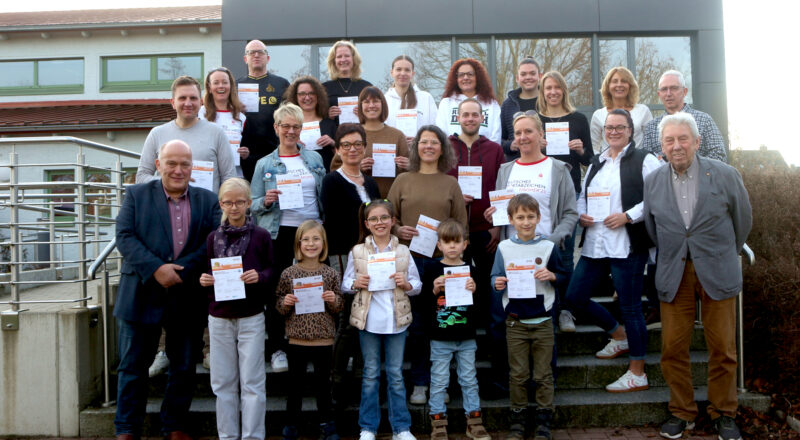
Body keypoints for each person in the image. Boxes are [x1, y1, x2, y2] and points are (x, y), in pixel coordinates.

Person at [644, 113, 751, 440]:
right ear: (661, 146)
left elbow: (743, 221)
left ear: (697, 142)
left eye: (682, 139)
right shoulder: (653, 181)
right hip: (674, 272)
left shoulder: (725, 175)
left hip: (717, 270)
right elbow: (652, 229)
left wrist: (722, 252)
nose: (676, 146)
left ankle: (724, 412)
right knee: (672, 349)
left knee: (723, 349)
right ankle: (682, 411)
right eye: (669, 140)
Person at [114, 140, 221, 440]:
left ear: (192, 167)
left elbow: (212, 241)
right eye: (171, 163)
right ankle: (126, 429)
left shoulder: (207, 200)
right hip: (141, 293)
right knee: (132, 367)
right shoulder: (136, 194)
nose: (178, 170)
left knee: (184, 366)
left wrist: (180, 270)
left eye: (184, 164)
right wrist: (156, 269)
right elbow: (124, 236)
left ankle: (174, 425)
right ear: (158, 164)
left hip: (186, 295)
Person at [564, 109, 661, 393]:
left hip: (627, 244)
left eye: (620, 127)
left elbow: (656, 196)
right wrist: (582, 214)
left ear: (630, 130)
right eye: (610, 127)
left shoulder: (646, 160)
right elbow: (583, 196)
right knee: (574, 297)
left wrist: (628, 216)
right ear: (603, 131)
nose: (614, 132)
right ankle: (619, 335)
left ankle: (637, 371)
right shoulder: (597, 162)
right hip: (596, 242)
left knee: (630, 307)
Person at [482, 111, 577, 387]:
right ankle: (504, 381)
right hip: (510, 257)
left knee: (543, 322)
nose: (523, 137)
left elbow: (570, 213)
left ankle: (545, 385)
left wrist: (555, 240)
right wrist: (494, 218)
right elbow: (503, 213)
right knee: (501, 319)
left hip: (543, 257)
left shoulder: (558, 169)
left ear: (541, 136)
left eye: (529, 132)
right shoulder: (506, 170)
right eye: (518, 133)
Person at [387, 125, 469, 405]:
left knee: (444, 324)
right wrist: (398, 231)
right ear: (416, 147)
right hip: (410, 262)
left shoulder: (450, 183)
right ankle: (420, 383)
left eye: (435, 142)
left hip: (443, 264)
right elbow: (389, 218)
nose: (429, 147)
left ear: (442, 148)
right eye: (424, 142)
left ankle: (441, 384)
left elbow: (461, 226)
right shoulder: (402, 180)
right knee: (417, 326)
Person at [250, 102, 326, 373]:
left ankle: (317, 342)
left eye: (296, 126)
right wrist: (266, 201)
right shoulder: (264, 164)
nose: (291, 131)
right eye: (286, 126)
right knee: (278, 292)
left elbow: (323, 195)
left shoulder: (314, 159)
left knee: (315, 288)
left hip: (311, 232)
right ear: (276, 128)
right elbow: (252, 202)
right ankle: (279, 348)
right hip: (279, 232)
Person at [199, 178, 273, 440]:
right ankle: (228, 436)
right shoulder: (212, 238)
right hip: (219, 316)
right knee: (222, 383)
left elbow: (271, 271)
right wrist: (205, 279)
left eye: (239, 201)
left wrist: (260, 277)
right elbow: (210, 272)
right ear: (221, 204)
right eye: (228, 202)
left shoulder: (261, 236)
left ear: (248, 203)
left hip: (251, 315)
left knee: (252, 382)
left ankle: (253, 436)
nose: (234, 207)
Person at [491, 194, 569, 440]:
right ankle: (518, 422)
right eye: (520, 217)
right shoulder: (504, 248)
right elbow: (494, 277)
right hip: (515, 321)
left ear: (539, 218)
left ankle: (544, 423)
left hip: (543, 319)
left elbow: (564, 276)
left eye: (530, 217)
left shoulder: (548, 247)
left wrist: (553, 277)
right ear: (511, 219)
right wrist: (498, 283)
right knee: (518, 374)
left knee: (543, 374)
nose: (526, 222)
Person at [342, 199, 421, 440]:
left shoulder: (403, 251)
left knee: (396, 375)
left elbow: (417, 285)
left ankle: (401, 428)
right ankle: (368, 427)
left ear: (393, 221)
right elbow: (345, 284)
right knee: (371, 373)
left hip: (397, 320)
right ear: (367, 224)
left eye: (384, 218)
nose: (380, 223)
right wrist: (356, 283)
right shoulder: (357, 252)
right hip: (369, 321)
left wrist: (406, 284)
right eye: (374, 219)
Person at [444, 98, 506, 395]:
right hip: (455, 236)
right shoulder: (447, 146)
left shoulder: (494, 148)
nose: (470, 118)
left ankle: (495, 373)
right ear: (459, 118)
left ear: (482, 118)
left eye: (475, 114)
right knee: (457, 301)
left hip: (486, 232)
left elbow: (501, 186)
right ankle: (455, 374)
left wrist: (498, 222)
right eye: (465, 114)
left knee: (491, 303)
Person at [319, 124, 380, 411]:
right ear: (338, 149)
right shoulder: (332, 181)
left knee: (365, 317)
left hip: (372, 257)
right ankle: (335, 384)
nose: (352, 149)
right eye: (346, 145)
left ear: (365, 147)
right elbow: (334, 222)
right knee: (347, 320)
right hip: (344, 257)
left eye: (358, 144)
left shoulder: (371, 183)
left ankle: (359, 376)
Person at [536, 70, 595, 330]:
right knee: (540, 251)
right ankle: (543, 304)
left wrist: (581, 150)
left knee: (566, 254)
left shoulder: (578, 119)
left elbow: (590, 160)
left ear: (564, 90)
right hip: (541, 190)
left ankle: (566, 311)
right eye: (548, 88)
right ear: (542, 91)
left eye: (557, 87)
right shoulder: (535, 119)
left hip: (569, 191)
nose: (552, 92)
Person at [276, 220, 344, 440]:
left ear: (323, 244)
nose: (311, 244)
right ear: (298, 244)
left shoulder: (331, 274)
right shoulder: (289, 273)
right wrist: (285, 302)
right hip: (297, 339)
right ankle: (291, 425)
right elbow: (279, 305)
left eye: (316, 239)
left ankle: (327, 424)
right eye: (306, 239)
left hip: (324, 339)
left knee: (324, 387)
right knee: (295, 387)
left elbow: (339, 307)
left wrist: (334, 300)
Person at [423, 219, 491, 440]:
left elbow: (482, 308)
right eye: (446, 242)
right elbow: (422, 306)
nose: (452, 246)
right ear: (439, 245)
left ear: (465, 244)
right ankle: (438, 423)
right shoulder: (432, 268)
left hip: (466, 336)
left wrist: (475, 291)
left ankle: (474, 422)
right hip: (440, 337)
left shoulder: (472, 270)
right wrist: (433, 290)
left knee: (469, 379)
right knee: (439, 381)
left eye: (456, 241)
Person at [136, 76, 236, 193]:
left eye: (193, 98)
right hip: (167, 208)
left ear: (200, 102)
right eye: (182, 98)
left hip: (205, 209)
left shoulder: (217, 133)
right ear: (173, 103)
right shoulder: (157, 134)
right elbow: (141, 177)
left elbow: (229, 178)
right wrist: (172, 182)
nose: (188, 103)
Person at [330, 86, 410, 197]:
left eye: (376, 101)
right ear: (360, 106)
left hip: (390, 202)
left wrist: (407, 166)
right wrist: (356, 168)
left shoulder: (397, 136)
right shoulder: (350, 134)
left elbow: (410, 174)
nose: (371, 105)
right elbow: (335, 169)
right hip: (357, 200)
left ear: (383, 105)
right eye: (366, 102)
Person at [641, 69, 727, 162]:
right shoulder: (651, 127)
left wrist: (692, 169)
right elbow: (648, 161)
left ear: (685, 91)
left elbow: (719, 155)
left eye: (674, 88)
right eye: (664, 89)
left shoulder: (704, 120)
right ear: (659, 94)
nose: (668, 93)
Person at [237, 40, 291, 181]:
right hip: (245, 153)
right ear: (245, 59)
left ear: (267, 58)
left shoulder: (282, 84)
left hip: (274, 150)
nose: (256, 55)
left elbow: (291, 115)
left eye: (260, 52)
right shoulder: (236, 85)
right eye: (251, 53)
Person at [436, 58, 502, 144]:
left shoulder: (491, 104)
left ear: (478, 77)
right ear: (456, 79)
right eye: (461, 75)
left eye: (470, 74)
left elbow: (496, 137)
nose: (465, 78)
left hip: (485, 154)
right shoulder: (446, 103)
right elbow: (441, 134)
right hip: (453, 155)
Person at [590, 67, 653, 154]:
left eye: (624, 81)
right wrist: (600, 163)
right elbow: (593, 145)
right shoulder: (598, 115)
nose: (619, 85)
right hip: (609, 164)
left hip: (638, 164)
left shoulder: (643, 111)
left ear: (630, 86)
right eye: (615, 81)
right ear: (608, 86)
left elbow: (650, 142)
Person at [200, 67, 248, 178]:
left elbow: (247, 147)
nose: (221, 86)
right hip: (207, 174)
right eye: (216, 83)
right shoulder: (200, 113)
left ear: (230, 86)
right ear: (209, 87)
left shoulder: (241, 117)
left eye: (225, 82)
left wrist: (245, 153)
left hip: (234, 175)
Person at [283, 76, 338, 171]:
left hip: (325, 178)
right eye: (302, 94)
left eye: (311, 93)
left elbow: (342, 156)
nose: (307, 98)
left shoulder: (330, 124)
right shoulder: (288, 126)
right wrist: (290, 145)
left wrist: (333, 144)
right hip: (297, 177)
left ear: (318, 96)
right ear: (295, 97)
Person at [384, 55, 438, 142]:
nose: (402, 73)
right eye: (398, 69)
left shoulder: (426, 98)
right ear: (392, 72)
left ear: (412, 74)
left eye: (407, 70)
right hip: (393, 152)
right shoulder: (384, 100)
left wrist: (419, 140)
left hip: (420, 152)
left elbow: (435, 128)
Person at [322, 40, 372, 127]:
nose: (343, 59)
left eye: (347, 56)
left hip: (361, 136)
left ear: (354, 59)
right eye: (339, 56)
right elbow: (316, 116)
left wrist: (365, 114)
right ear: (334, 61)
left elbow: (375, 113)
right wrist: (327, 115)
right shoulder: (324, 88)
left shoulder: (366, 87)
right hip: (333, 138)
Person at [500, 58, 542, 160]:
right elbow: (499, 138)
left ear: (540, 76)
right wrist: (509, 145)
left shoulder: (548, 101)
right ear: (517, 78)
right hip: (516, 164)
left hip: (544, 165)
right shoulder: (507, 105)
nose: (528, 77)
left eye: (532, 73)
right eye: (523, 74)